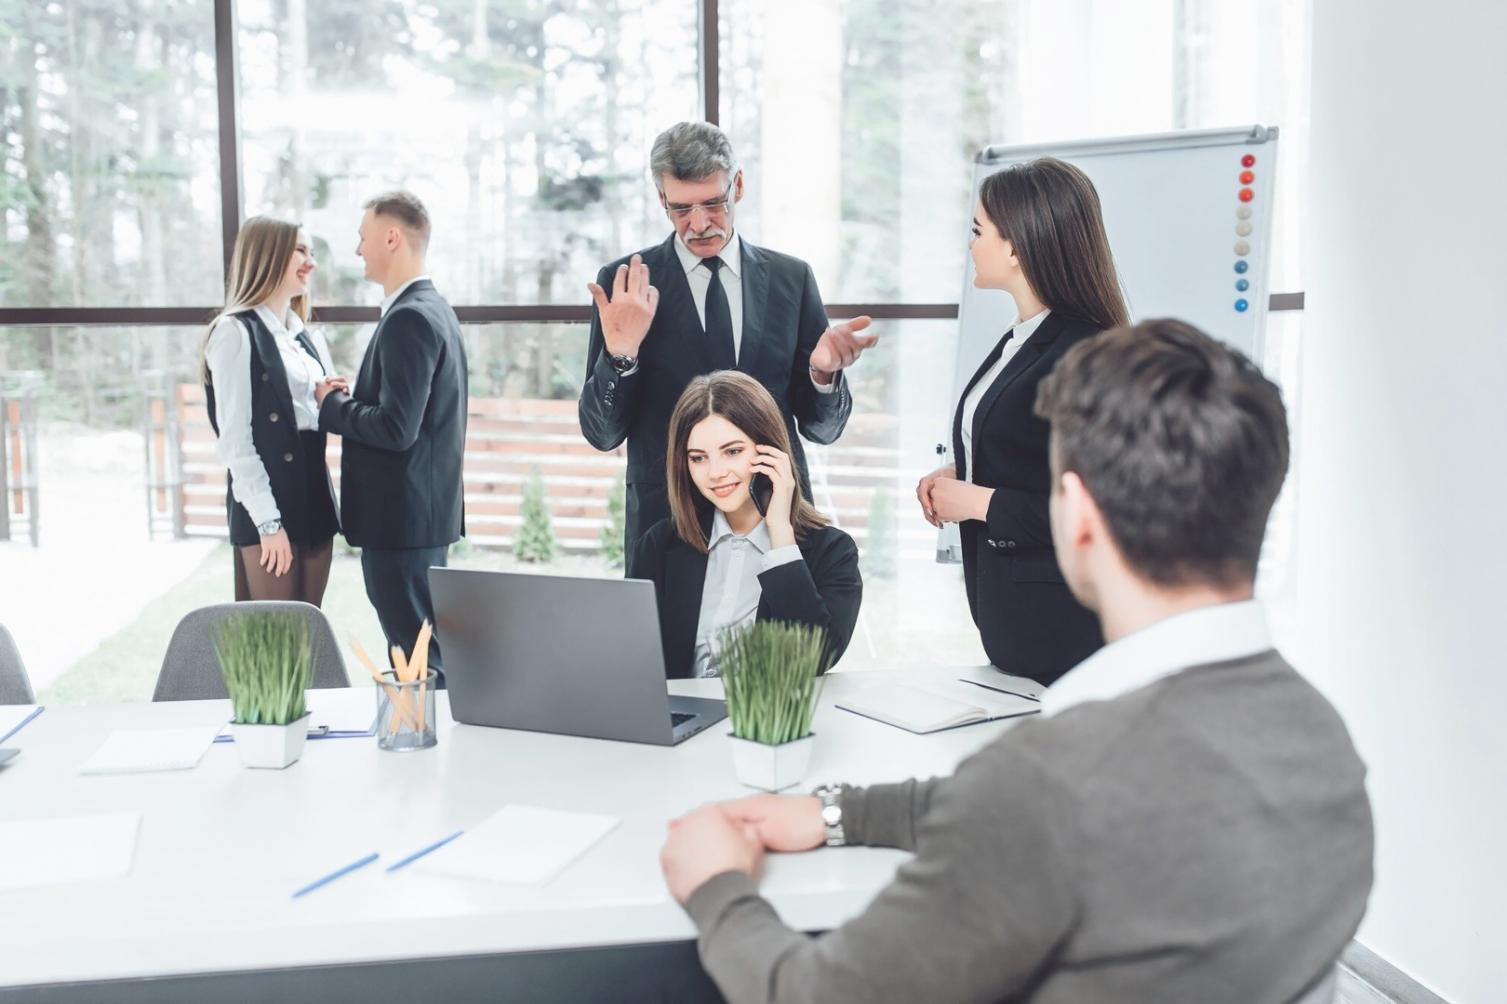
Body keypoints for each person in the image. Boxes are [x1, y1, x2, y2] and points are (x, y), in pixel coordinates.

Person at [660, 319, 1375, 1003]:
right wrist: (833, 812)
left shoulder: (1049, 779)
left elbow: (810, 993)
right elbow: (1039, 806)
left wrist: (718, 888)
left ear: (1077, 516)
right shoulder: (1321, 737)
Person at [580, 121, 879, 574]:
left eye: (713, 203)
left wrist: (822, 377)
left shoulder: (791, 279)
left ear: (737, 185)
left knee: (782, 647)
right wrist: (620, 356)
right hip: (669, 526)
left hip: (775, 521)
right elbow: (602, 435)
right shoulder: (624, 284)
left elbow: (823, 430)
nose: (698, 224)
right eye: (680, 209)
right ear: (661, 200)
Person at [917, 157, 1130, 686]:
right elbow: (1028, 454)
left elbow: (1104, 514)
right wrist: (962, 471)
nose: (970, 245)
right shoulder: (1024, 338)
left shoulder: (1087, 353)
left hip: (1066, 635)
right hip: (1016, 629)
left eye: (977, 231)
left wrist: (976, 502)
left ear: (1014, 245)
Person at [315, 191, 467, 678]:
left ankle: (429, 750)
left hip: (402, 524)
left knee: (419, 662)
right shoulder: (434, 309)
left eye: (363, 238)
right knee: (422, 654)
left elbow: (396, 428)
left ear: (392, 237)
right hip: (416, 520)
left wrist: (331, 406)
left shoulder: (409, 318)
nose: (358, 250)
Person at [631, 371, 862, 678]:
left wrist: (780, 532)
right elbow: (631, 655)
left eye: (732, 451)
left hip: (770, 722)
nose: (715, 472)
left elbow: (816, 658)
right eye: (698, 458)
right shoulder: (660, 544)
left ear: (769, 451)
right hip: (680, 719)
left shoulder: (833, 551)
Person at [203, 216, 340, 605]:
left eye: (312, 253)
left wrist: (328, 397)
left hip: (315, 500)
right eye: (300, 250)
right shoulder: (234, 332)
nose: (311, 262)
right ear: (267, 256)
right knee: (273, 647)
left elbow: (314, 414)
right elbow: (235, 442)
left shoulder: (307, 336)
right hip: (269, 506)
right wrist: (268, 522)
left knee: (308, 636)